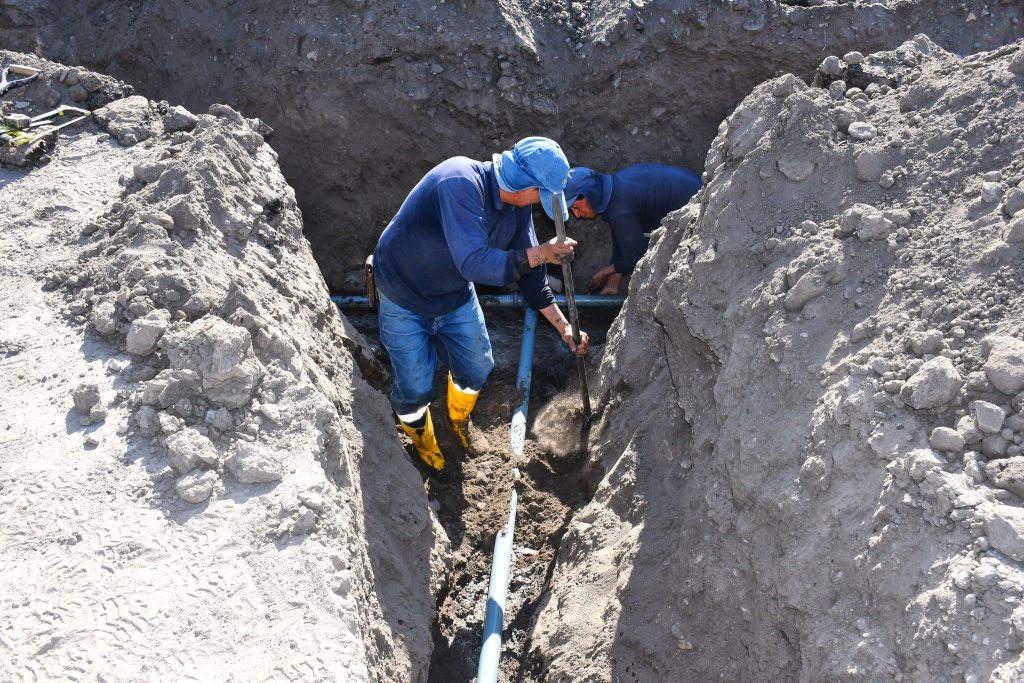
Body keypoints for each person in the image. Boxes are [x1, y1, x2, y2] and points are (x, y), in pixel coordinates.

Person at [372, 137, 590, 471]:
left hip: (453, 293)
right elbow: (473, 263)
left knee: (476, 368)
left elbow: (532, 278)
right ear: (523, 184)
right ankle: (421, 438)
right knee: (415, 388)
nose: (539, 204)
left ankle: (457, 419)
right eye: (540, 196)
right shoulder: (459, 181)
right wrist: (540, 254)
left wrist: (564, 328)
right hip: (405, 294)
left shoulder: (517, 210)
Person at [564, 163, 702, 294]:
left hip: (701, 213)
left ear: (591, 194)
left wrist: (603, 273)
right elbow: (623, 241)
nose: (576, 215)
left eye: (576, 207)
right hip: (698, 190)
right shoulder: (617, 189)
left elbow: (634, 255)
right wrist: (613, 283)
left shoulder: (620, 210)